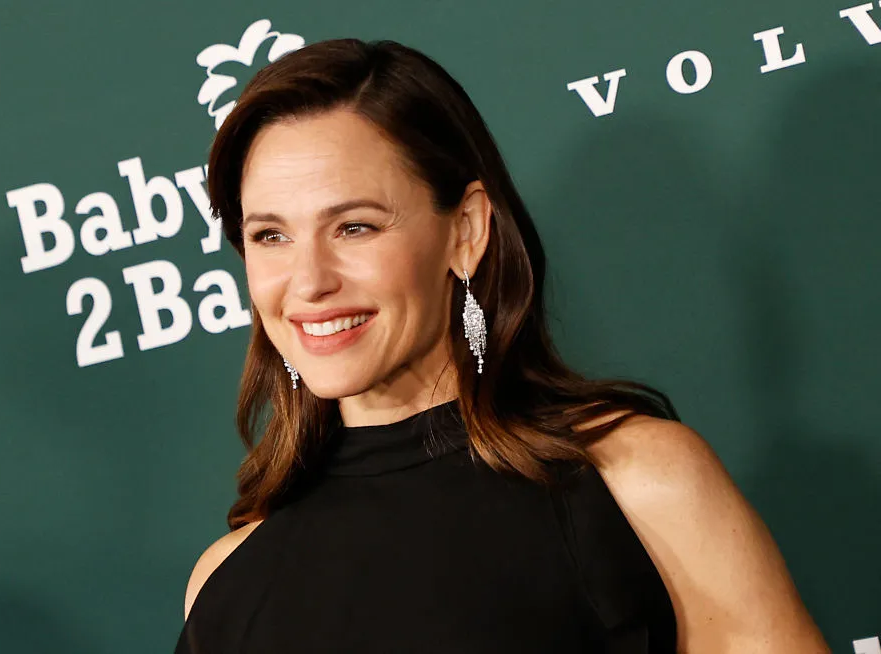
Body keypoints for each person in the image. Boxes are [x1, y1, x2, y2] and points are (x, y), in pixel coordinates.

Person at [173, 38, 829, 653]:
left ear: (465, 229)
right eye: (270, 237)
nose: (310, 281)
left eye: (355, 227)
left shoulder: (635, 484)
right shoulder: (226, 586)